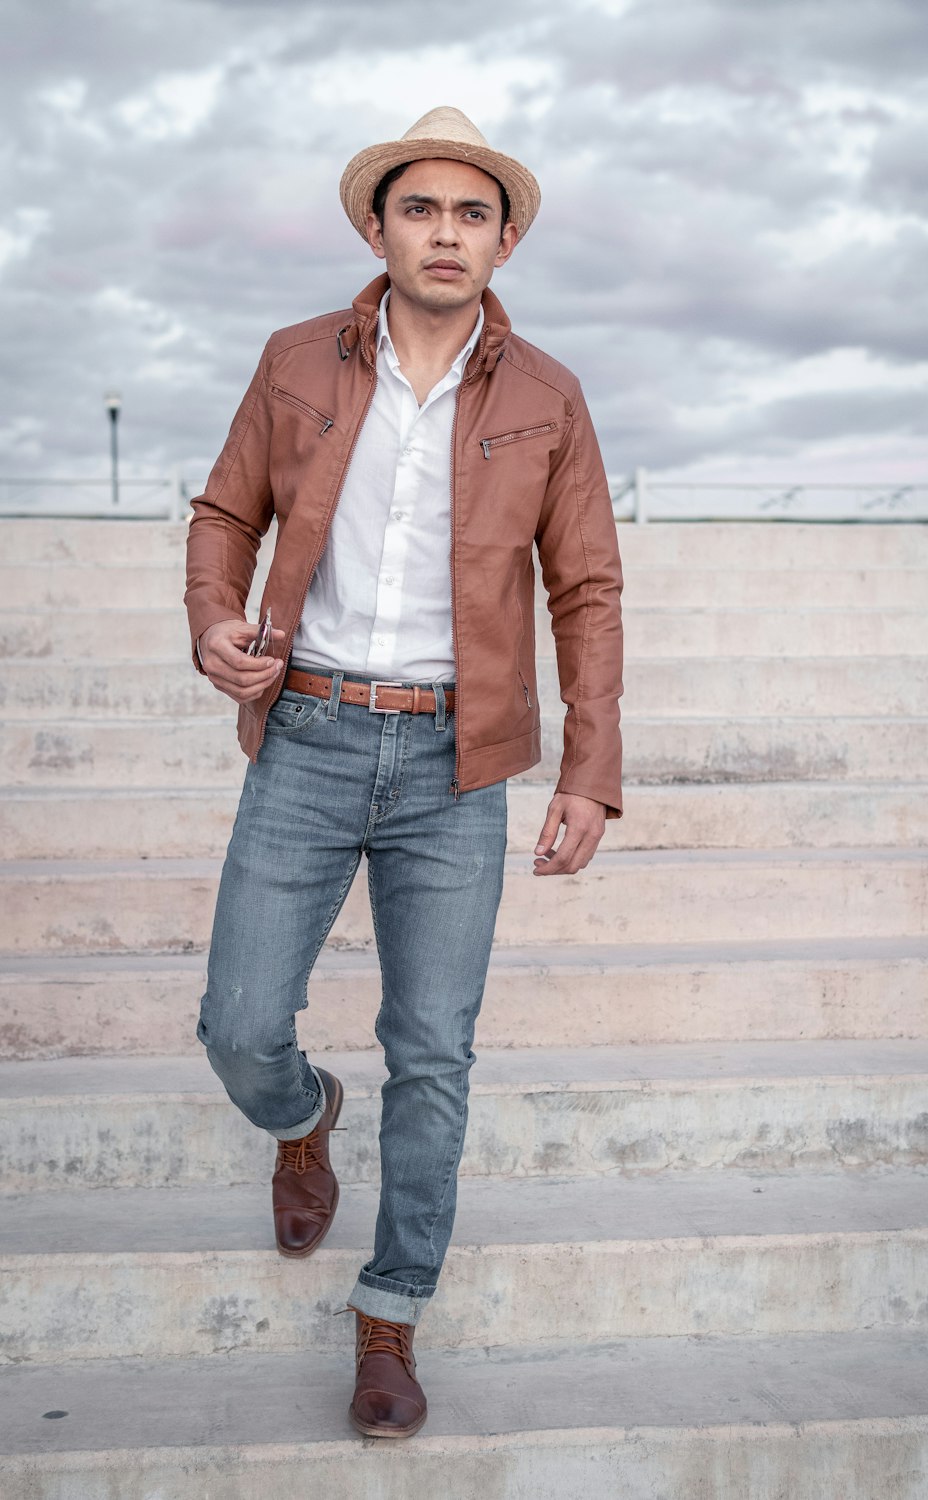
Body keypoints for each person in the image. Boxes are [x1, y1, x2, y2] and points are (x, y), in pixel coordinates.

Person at [184, 105, 624, 1439]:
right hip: (308, 734)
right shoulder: (295, 361)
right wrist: (215, 622)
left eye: (472, 213)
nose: (445, 232)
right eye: (420, 208)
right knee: (238, 1023)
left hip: (458, 757)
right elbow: (225, 515)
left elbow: (587, 588)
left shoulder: (547, 396)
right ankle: (302, 1116)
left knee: (433, 1051)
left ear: (504, 240)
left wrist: (589, 769)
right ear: (380, 228)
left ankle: (391, 1316)